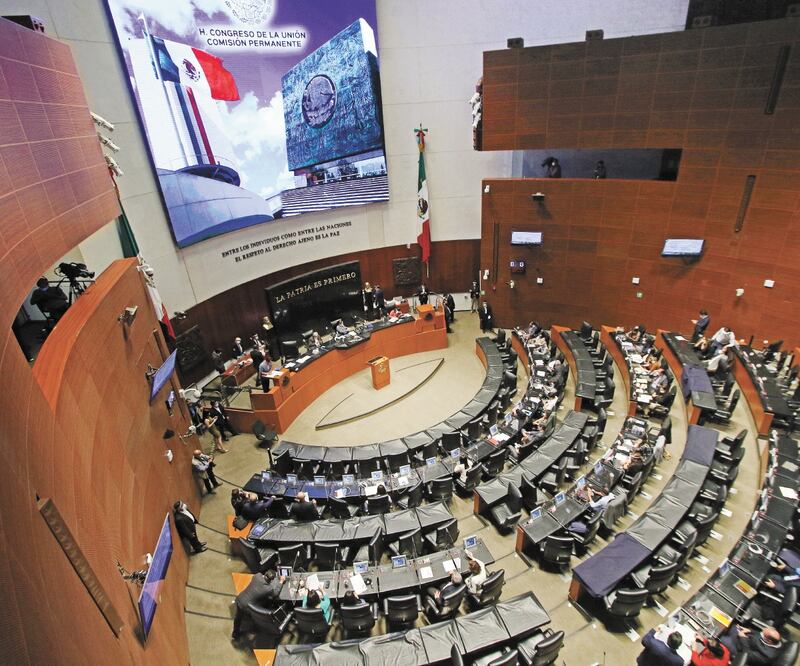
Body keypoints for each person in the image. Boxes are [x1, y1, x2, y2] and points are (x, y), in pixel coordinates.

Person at [231, 569, 286, 640]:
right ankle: (256, 625)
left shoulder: (257, 576)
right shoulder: (268, 589)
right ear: (272, 580)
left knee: (238, 616)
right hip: (248, 607)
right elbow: (275, 593)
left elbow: (260, 581)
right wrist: (281, 581)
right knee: (265, 604)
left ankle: (235, 632)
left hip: (240, 599)